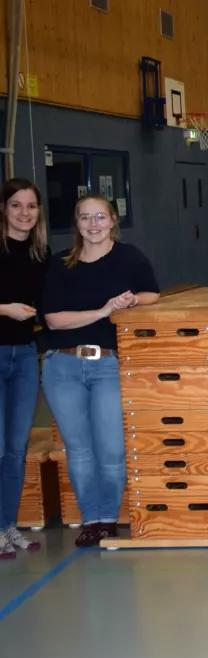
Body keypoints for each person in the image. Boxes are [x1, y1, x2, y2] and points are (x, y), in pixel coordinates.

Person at [42, 193, 159, 547]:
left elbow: (151, 293)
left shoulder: (130, 257)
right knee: (79, 450)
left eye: (99, 217)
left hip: (107, 365)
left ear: (112, 221)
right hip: (61, 366)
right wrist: (103, 310)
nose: (93, 225)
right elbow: (54, 319)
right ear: (76, 223)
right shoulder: (61, 263)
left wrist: (132, 301)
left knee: (110, 449)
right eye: (84, 218)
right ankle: (89, 518)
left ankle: (107, 519)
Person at [0, 178, 49, 557]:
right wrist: (5, 309)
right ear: (4, 208)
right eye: (16, 205)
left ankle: (7, 526)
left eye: (31, 206)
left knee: (16, 449)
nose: (24, 213)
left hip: (24, 356)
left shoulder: (40, 253)